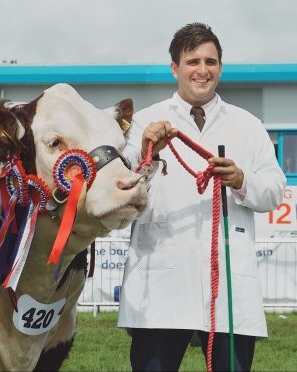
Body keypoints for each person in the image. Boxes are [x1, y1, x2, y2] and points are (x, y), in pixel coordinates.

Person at [118, 23, 286, 371]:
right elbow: (122, 191)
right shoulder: (145, 124)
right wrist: (148, 154)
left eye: (211, 61)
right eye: (193, 61)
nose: (202, 70)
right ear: (175, 68)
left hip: (227, 286)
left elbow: (273, 191)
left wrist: (241, 180)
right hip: (161, 283)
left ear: (220, 68)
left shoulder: (248, 125)